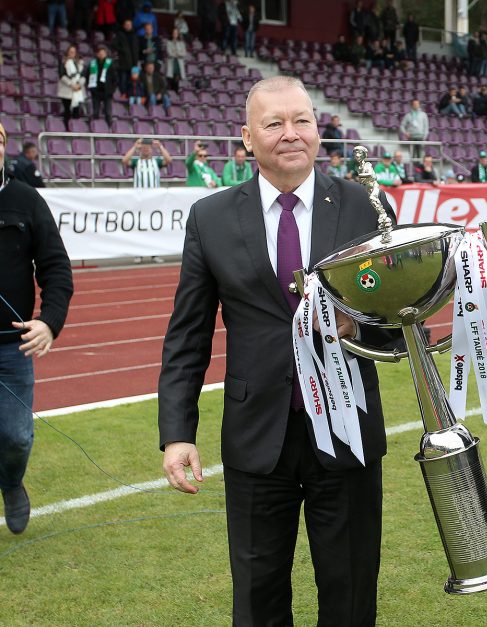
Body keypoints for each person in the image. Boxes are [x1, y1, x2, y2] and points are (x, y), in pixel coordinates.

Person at [158, 76, 394, 625]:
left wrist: (358, 328)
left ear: (318, 128)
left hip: (348, 434)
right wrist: (177, 433)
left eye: (303, 121)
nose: (291, 134)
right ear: (247, 137)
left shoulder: (365, 207)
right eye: (274, 124)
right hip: (256, 440)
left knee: (351, 595)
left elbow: (395, 322)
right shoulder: (211, 218)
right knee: (258, 599)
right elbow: (188, 335)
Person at [0, 122, 74, 536]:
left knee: (14, 437)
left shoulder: (25, 200)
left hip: (12, 348)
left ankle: (11, 482)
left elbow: (56, 269)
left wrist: (49, 322)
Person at [85, 45, 117, 127]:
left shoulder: (110, 64)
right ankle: (95, 128)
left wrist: (112, 90)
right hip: (96, 91)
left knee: (108, 112)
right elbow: (87, 76)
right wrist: (90, 88)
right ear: (97, 54)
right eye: (100, 53)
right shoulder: (92, 64)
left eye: (103, 53)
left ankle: (109, 130)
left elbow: (115, 79)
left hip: (107, 92)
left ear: (106, 54)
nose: (101, 54)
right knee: (95, 112)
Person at [57, 44, 86, 128]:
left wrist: (79, 85)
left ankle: (75, 128)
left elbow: (83, 75)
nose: (72, 53)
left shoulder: (80, 63)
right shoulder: (63, 62)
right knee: (67, 110)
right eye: (71, 52)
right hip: (67, 91)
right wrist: (71, 84)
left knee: (76, 110)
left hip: (78, 90)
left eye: (74, 52)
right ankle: (67, 128)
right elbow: (62, 75)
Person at [110, 18, 139, 97]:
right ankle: (123, 94)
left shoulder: (134, 35)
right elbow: (113, 44)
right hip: (123, 62)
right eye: (126, 25)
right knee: (123, 80)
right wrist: (122, 50)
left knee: (132, 81)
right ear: (124, 26)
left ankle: (130, 95)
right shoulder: (120, 34)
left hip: (133, 62)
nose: (128, 26)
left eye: (129, 24)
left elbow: (136, 48)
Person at [164, 27, 188, 93]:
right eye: (174, 33)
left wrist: (176, 52)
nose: (175, 34)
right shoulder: (168, 42)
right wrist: (178, 54)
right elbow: (169, 53)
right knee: (170, 81)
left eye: (176, 33)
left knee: (176, 81)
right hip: (171, 63)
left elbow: (184, 53)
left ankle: (176, 93)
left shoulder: (181, 43)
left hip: (178, 63)